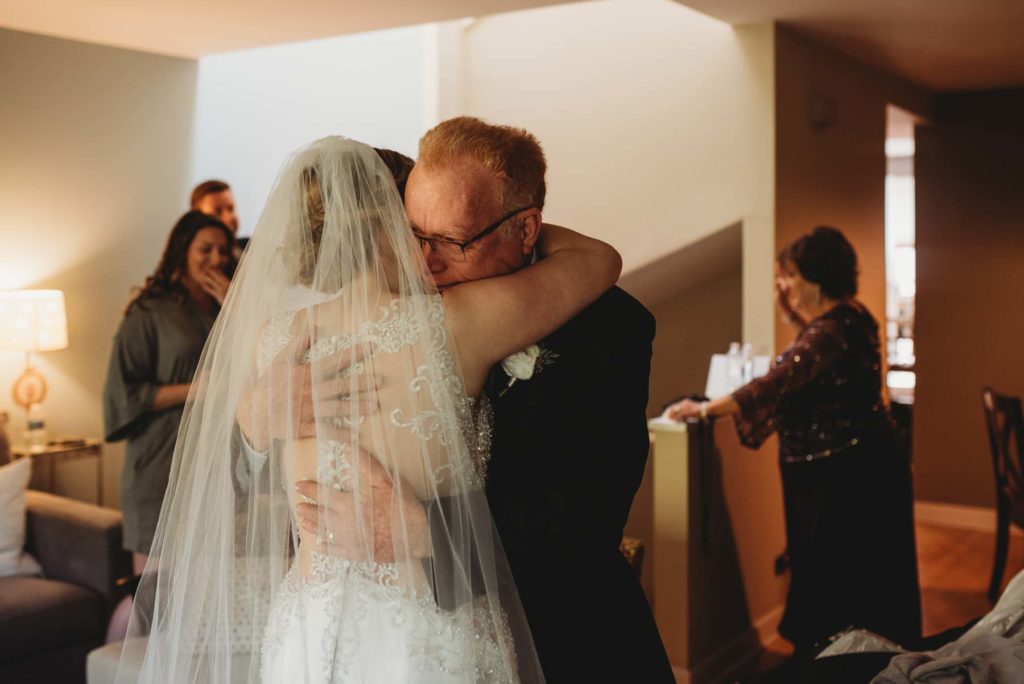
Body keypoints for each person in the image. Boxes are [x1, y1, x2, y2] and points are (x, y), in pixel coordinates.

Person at [117, 136, 622, 683]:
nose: (428, 246)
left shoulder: (273, 337)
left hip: (310, 632)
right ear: (391, 219)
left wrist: (254, 418)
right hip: (428, 634)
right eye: (416, 224)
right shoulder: (461, 324)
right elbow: (599, 260)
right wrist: (511, 223)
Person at [299, 117, 674, 682]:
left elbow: (580, 521)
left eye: (451, 241)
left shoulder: (608, 327)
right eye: (413, 234)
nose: (424, 262)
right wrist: (257, 423)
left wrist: (417, 528)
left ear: (526, 231)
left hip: (564, 642)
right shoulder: (393, 313)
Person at [667, 226, 921, 653]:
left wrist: (705, 409)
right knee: (865, 574)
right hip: (865, 465)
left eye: (790, 278)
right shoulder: (854, 317)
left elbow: (776, 383)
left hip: (842, 477)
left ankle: (842, 664)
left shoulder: (828, 333)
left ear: (816, 280)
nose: (784, 288)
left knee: (840, 575)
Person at [103, 210, 234, 570]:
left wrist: (234, 306)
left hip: (211, 467)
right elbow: (122, 394)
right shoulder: (148, 312)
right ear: (182, 251)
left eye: (223, 251)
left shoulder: (227, 307)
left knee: (202, 593)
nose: (216, 259)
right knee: (152, 595)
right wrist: (196, 390)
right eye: (205, 249)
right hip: (159, 465)